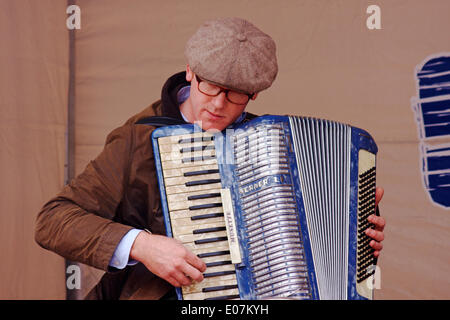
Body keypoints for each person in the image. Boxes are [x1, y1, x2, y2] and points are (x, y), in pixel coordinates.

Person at [35, 17, 386, 300]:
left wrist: (356, 244)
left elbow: (304, 249)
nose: (218, 105)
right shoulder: (137, 139)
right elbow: (53, 220)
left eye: (235, 96)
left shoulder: (273, 146)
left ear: (255, 93)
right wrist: (142, 245)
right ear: (190, 71)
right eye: (210, 87)